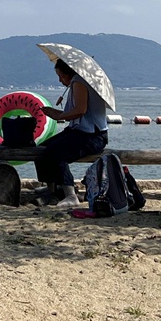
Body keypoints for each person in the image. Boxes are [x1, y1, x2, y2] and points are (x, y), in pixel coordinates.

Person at [34, 58, 109, 209]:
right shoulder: (77, 82)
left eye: (61, 76)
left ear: (70, 73)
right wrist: (55, 113)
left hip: (92, 136)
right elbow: (78, 112)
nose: (60, 80)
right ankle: (52, 188)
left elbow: (80, 110)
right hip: (80, 131)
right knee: (41, 150)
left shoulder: (79, 82)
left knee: (58, 154)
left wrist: (58, 116)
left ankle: (70, 195)